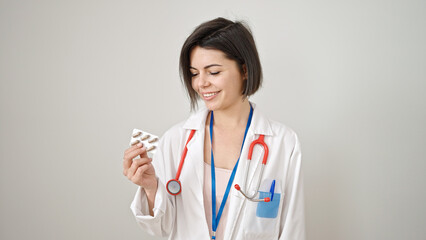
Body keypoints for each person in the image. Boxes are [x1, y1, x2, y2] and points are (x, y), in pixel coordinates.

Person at [122, 17, 305, 240]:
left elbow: (292, 230)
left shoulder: (283, 143)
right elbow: (160, 228)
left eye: (214, 72)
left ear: (244, 70)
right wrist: (151, 188)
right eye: (194, 73)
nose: (201, 83)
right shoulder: (175, 140)